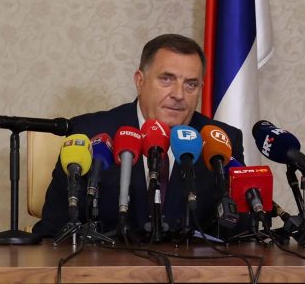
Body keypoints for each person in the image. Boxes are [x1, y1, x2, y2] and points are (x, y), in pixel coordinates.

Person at [32, 33, 245, 240]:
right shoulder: (90, 133)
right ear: (140, 81)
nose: (179, 95)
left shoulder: (222, 142)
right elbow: (54, 230)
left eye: (191, 84)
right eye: (167, 79)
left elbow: (240, 235)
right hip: (109, 262)